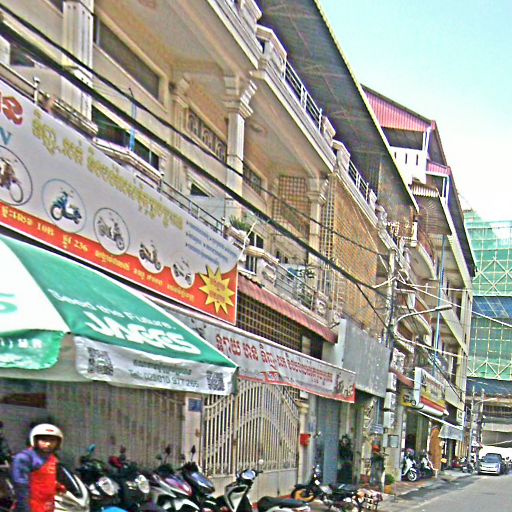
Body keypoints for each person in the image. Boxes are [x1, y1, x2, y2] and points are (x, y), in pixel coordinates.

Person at [11, 424, 66, 512]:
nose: (48, 444)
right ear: (35, 440)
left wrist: (56, 486)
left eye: (52, 440)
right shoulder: (25, 458)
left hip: (48, 505)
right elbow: (21, 486)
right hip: (31, 505)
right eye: (43, 440)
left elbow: (43, 478)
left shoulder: (52, 458)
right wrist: (25, 508)